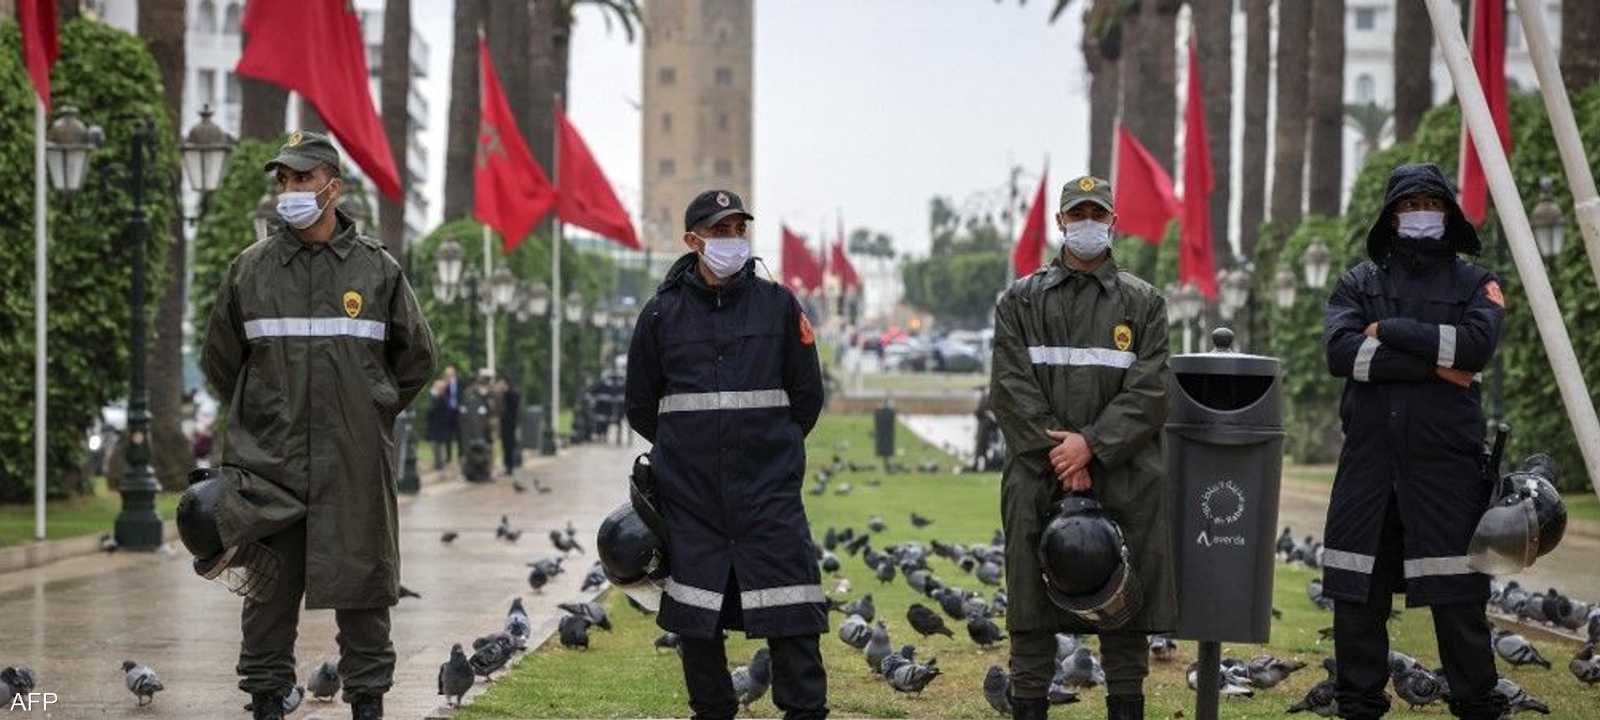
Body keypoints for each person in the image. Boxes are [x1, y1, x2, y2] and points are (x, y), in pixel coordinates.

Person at [200, 130, 438, 720]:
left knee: (364, 597)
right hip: (267, 470)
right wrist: (264, 418)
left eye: (302, 178)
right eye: (283, 179)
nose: (291, 190)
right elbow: (221, 362)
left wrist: (369, 412)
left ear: (333, 186)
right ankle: (264, 703)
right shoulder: (250, 271)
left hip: (354, 467)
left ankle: (367, 704)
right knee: (266, 600)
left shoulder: (376, 271)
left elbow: (416, 361)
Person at [624, 189, 829, 720]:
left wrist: (773, 451)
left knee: (791, 609)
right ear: (693, 241)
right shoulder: (660, 315)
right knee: (697, 617)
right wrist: (688, 453)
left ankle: (805, 711)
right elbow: (641, 406)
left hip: (768, 491)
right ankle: (711, 711)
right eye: (719, 232)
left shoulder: (779, 304)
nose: (731, 241)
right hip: (691, 497)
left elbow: (807, 397)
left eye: (738, 230)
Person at [1322, 163, 1507, 720]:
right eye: (1408, 205)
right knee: (1356, 597)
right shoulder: (1359, 282)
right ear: (1390, 215)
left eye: (1430, 202)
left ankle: (1476, 705)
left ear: (1448, 212)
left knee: (1459, 601)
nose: (1419, 213)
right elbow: (1341, 355)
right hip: (1369, 468)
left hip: (1446, 471)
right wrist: (1437, 364)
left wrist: (1390, 332)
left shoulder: (1477, 284)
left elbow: (1475, 349)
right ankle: (1357, 705)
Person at [988, 175, 1176, 720]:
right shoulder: (1020, 301)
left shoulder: (1145, 303)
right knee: (1031, 613)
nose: (1087, 223)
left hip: (1124, 474)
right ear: (1061, 223)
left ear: (1113, 222)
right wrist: (1066, 455)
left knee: (1124, 615)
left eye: (1097, 214)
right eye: (1077, 214)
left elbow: (1152, 390)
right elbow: (1009, 388)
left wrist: (1091, 446)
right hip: (1038, 474)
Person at [497, 375, 522, 476]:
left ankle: (510, 466)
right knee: (505, 446)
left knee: (509, 446)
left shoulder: (512, 394)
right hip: (505, 424)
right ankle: (508, 466)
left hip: (510, 425)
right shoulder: (506, 394)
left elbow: (511, 410)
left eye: (502, 384)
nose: (500, 386)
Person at [426, 379, 453, 470]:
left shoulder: (441, 398)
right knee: (436, 446)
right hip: (436, 425)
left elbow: (432, 410)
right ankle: (438, 464)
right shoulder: (439, 397)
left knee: (438, 446)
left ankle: (439, 465)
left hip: (440, 426)